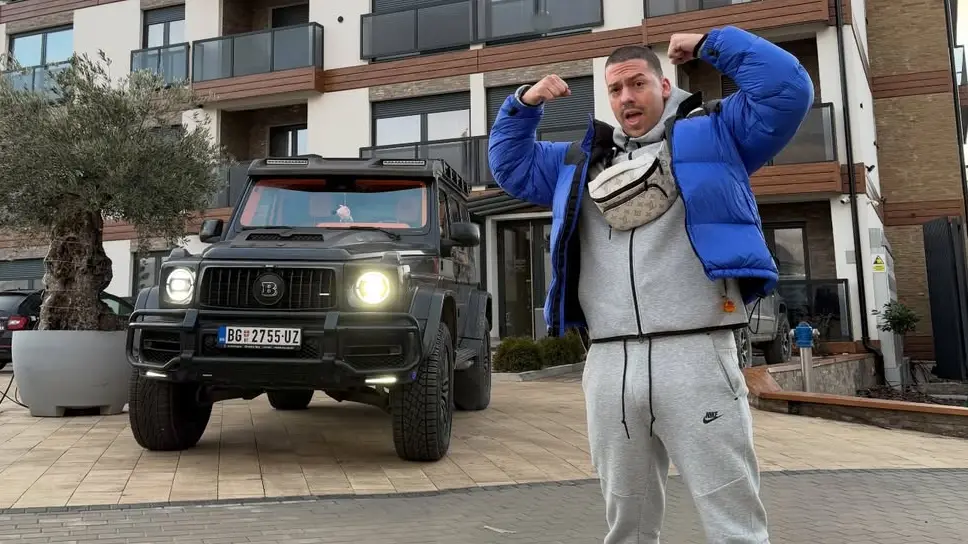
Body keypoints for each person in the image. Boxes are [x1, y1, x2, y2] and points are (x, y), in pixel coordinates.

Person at [487, 27, 813, 543]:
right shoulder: (578, 162)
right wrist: (523, 105)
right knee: (626, 522)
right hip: (609, 361)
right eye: (615, 89)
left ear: (664, 86)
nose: (626, 98)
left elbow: (787, 89)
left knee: (732, 516)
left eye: (637, 83)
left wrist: (711, 43)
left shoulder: (718, 135)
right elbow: (510, 165)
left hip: (697, 350)